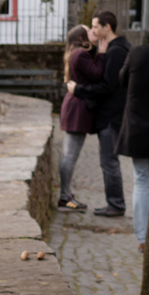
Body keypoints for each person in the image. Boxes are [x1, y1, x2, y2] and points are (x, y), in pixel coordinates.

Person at [67, 10, 131, 217]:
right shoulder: (115, 48)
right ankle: (114, 203)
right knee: (108, 161)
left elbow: (107, 86)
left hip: (111, 116)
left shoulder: (116, 51)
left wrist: (78, 90)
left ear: (107, 27)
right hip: (110, 115)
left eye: (95, 26)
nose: (92, 30)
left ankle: (116, 205)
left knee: (109, 162)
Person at [116, 15, 149, 250]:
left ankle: (144, 237)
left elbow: (122, 79)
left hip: (138, 127)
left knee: (142, 179)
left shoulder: (137, 53)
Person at [58, 24, 105, 210]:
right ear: (81, 37)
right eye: (90, 30)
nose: (94, 32)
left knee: (69, 155)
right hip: (76, 109)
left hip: (75, 107)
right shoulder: (80, 54)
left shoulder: (78, 53)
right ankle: (64, 198)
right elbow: (97, 74)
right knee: (70, 155)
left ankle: (66, 195)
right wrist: (101, 54)